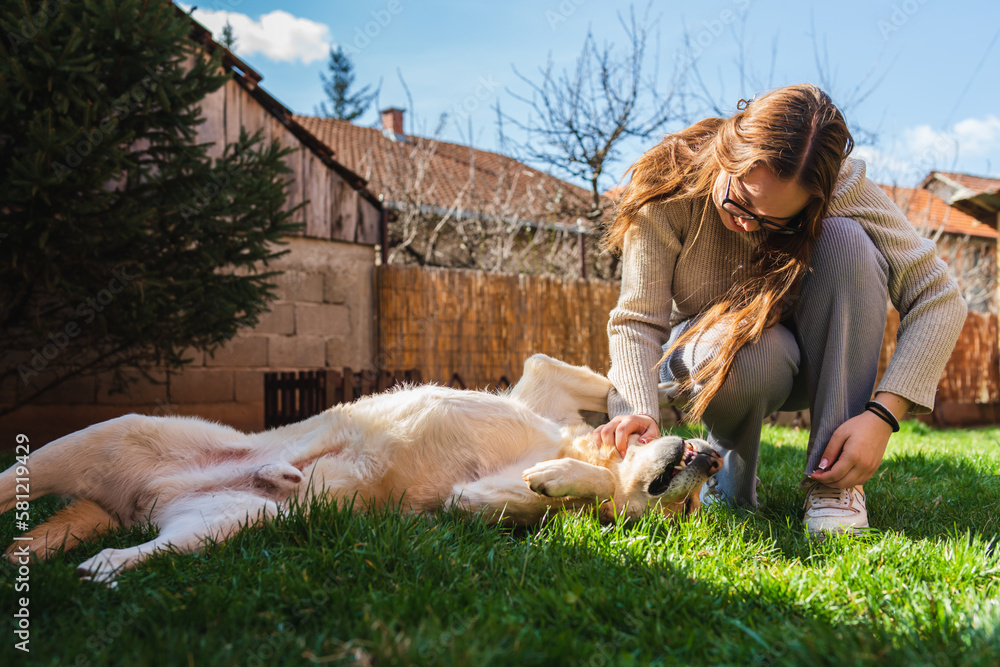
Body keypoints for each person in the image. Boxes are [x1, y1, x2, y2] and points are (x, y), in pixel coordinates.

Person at [594, 83, 967, 535]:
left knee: (849, 243)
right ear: (730, 150)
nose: (748, 224)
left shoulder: (841, 188)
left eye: (777, 221)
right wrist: (636, 410)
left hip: (812, 362)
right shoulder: (669, 183)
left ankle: (833, 484)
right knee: (754, 348)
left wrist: (882, 417)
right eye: (741, 201)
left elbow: (939, 296)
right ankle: (724, 482)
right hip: (707, 360)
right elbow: (638, 320)